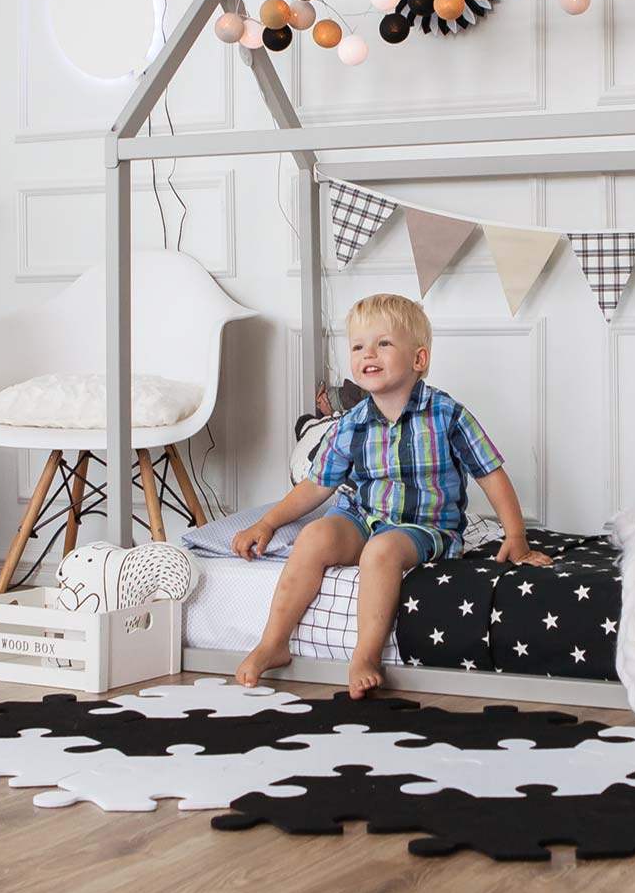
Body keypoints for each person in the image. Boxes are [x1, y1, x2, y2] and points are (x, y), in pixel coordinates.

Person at [232, 293, 551, 698]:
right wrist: (267, 523)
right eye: (359, 346)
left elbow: (491, 473)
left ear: (418, 359)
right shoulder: (352, 422)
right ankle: (272, 642)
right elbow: (317, 485)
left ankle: (365, 655)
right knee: (313, 537)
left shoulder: (447, 414)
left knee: (381, 552)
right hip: (362, 516)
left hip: (423, 525)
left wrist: (516, 537)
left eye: (383, 343)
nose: (370, 353)